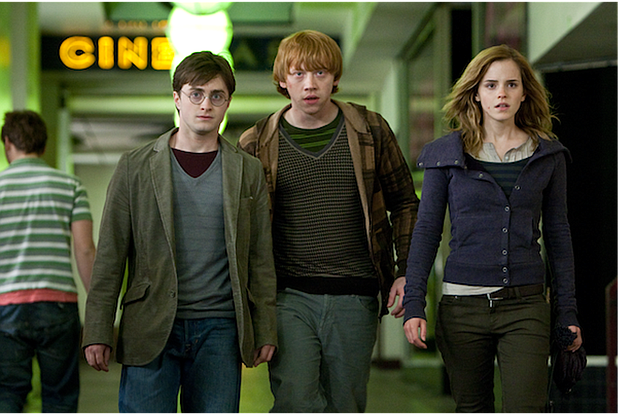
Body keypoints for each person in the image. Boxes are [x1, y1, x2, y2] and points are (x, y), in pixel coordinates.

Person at [82, 51, 277, 414]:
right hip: (150, 321)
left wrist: (265, 328)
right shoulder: (135, 166)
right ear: (177, 98)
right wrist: (97, 329)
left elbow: (260, 258)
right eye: (196, 94)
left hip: (220, 327)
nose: (206, 105)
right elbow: (111, 254)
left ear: (228, 102)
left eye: (217, 96)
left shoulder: (247, 170)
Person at [238, 30, 419, 414]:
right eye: (299, 73)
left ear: (335, 78)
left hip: (355, 294)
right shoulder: (256, 142)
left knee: (345, 405)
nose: (310, 84)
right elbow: (242, 229)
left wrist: (407, 271)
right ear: (283, 80)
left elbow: (405, 203)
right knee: (295, 402)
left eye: (320, 73)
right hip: (287, 296)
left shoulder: (370, 129)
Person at [402, 44, 583, 414]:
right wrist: (414, 304)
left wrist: (567, 311)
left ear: (524, 93)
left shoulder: (548, 154)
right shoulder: (444, 154)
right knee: (472, 408)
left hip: (526, 306)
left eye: (511, 84)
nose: (502, 94)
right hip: (462, 307)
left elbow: (558, 235)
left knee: (526, 408)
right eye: (491, 85)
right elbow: (427, 231)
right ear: (476, 93)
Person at [0, 110, 96, 414]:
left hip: (6, 306)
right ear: (43, 145)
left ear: (7, 143)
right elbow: (85, 251)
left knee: (7, 394)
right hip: (58, 306)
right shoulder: (71, 186)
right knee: (60, 398)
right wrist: (99, 310)